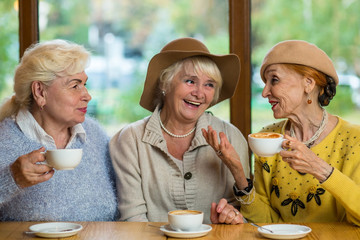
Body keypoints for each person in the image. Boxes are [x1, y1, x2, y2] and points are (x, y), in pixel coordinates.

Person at [203, 40, 360, 226]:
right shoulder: (267, 137)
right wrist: (238, 172)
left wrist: (318, 167)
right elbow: (268, 221)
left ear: (308, 83)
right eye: (265, 82)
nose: (264, 92)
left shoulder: (353, 139)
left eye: (274, 80)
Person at [110, 37, 250, 224]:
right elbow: (132, 219)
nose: (199, 93)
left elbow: (247, 216)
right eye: (190, 81)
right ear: (165, 83)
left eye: (209, 84)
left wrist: (229, 220)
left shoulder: (231, 136)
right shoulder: (131, 139)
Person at [0, 39, 118, 221]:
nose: (87, 95)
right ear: (40, 91)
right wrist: (11, 178)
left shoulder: (95, 135)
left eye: (84, 84)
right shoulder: (5, 140)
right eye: (74, 85)